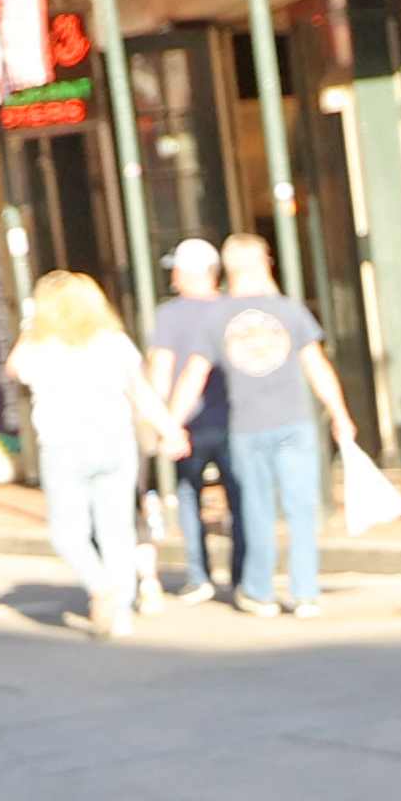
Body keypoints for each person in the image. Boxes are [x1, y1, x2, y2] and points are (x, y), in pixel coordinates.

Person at [161, 234, 355, 618]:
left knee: (257, 510)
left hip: (248, 426)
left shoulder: (218, 317)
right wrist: (340, 413)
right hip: (294, 421)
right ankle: (304, 593)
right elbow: (316, 366)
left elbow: (192, 378)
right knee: (302, 508)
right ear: (266, 262)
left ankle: (260, 590)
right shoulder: (289, 310)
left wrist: (170, 424)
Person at [2, 270, 163, 637]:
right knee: (117, 529)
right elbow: (140, 392)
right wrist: (168, 429)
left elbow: (13, 368)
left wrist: (31, 327)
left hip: (64, 444)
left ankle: (99, 585)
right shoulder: (113, 341)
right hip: (115, 440)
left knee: (67, 531)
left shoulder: (39, 346)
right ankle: (120, 610)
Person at [142, 237, 234, 601]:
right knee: (238, 495)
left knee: (188, 494)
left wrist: (161, 420)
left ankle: (199, 575)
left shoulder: (169, 315)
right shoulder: (231, 309)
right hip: (230, 416)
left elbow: (161, 369)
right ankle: (242, 574)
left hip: (186, 422)